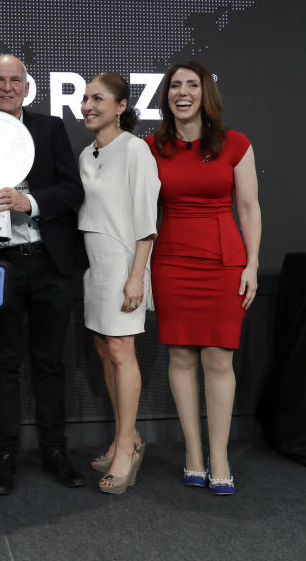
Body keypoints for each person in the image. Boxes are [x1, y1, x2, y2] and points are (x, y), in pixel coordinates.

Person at [144, 61, 261, 495]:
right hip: (172, 261)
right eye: (175, 85)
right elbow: (143, 211)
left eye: (192, 85)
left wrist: (251, 264)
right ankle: (194, 454)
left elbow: (248, 207)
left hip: (223, 262)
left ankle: (221, 456)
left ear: (205, 94)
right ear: (167, 96)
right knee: (181, 358)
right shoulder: (152, 146)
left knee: (218, 359)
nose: (183, 92)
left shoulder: (236, 144)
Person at [0, 55, 87, 496]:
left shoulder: (50, 129)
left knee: (49, 363)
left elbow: (73, 190)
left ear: (28, 89)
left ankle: (55, 451)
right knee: (3, 365)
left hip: (48, 263)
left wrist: (32, 203)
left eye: (15, 81)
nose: (7, 87)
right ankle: (4, 457)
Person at [77, 73, 160, 494]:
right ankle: (127, 435)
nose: (88, 105)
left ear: (121, 106)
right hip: (94, 265)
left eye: (98, 98)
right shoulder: (86, 153)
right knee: (103, 348)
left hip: (125, 263)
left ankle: (127, 449)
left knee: (121, 350)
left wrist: (135, 277)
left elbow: (147, 222)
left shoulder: (136, 151)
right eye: (85, 97)